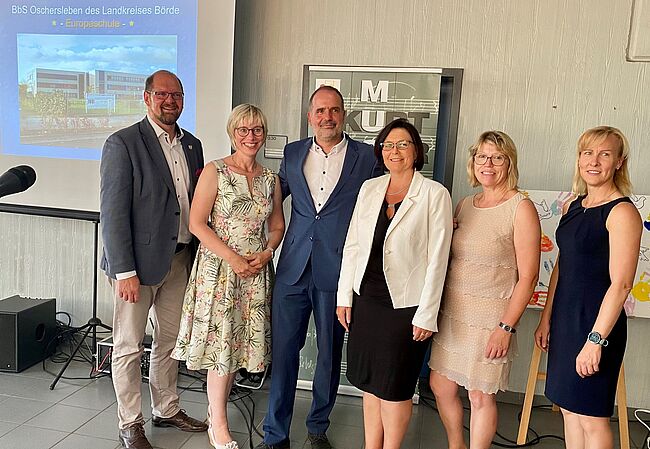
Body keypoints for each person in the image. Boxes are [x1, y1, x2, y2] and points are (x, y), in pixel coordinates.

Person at [257, 85, 383, 449]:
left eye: (334, 110)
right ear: (310, 116)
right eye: (320, 111)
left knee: (328, 354)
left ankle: (316, 428)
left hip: (338, 269)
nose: (327, 117)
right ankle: (275, 433)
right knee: (283, 353)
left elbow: (384, 197)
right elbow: (272, 198)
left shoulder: (366, 156)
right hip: (293, 267)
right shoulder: (293, 152)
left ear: (344, 114)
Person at [100, 70, 208, 449]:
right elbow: (112, 213)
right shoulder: (123, 143)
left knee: (170, 340)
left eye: (177, 94)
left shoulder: (192, 145)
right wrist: (124, 271)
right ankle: (130, 422)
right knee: (129, 345)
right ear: (146, 98)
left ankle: (166, 407)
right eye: (162, 94)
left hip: (179, 261)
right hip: (136, 268)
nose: (170, 101)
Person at [172, 104, 284, 449]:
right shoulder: (215, 171)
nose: (251, 137)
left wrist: (266, 254)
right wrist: (233, 258)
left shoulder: (270, 178)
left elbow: (277, 225)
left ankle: (214, 410)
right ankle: (217, 422)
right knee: (221, 346)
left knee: (238, 347)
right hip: (220, 270)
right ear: (232, 133)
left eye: (257, 130)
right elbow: (196, 223)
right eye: (243, 130)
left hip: (255, 271)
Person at [336, 118, 453, 449]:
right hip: (366, 299)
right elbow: (354, 245)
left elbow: (438, 259)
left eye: (403, 144)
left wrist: (427, 314)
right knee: (370, 384)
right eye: (388, 145)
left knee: (395, 386)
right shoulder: (370, 188)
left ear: (417, 151)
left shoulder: (433, 194)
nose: (394, 151)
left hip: (405, 306)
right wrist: (345, 295)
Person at [428, 131, 541, 449]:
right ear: (473, 162)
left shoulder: (521, 208)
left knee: (479, 395)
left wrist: (506, 327)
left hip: (492, 317)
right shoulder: (466, 204)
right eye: (481, 157)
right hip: (454, 312)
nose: (487, 164)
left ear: (510, 163)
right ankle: (456, 444)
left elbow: (528, 277)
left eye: (497, 157)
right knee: (440, 384)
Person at [535, 126, 641, 449]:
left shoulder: (622, 212)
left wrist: (596, 339)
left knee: (592, 419)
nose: (594, 161)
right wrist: (546, 318)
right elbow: (562, 267)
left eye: (604, 154)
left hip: (596, 325)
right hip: (566, 322)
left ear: (619, 162)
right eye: (587, 153)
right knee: (569, 411)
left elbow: (621, 285)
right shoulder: (573, 207)